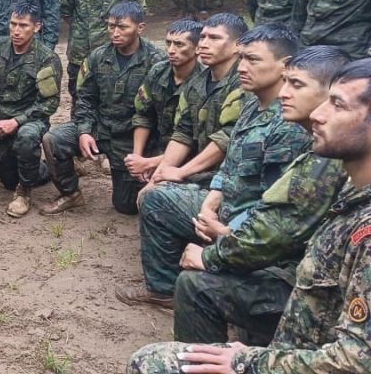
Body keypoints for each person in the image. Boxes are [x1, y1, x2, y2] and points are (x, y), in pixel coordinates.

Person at [127, 58, 371, 374]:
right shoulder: (351, 191)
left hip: (293, 351)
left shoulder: (357, 216)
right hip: (295, 338)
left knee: (150, 362)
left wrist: (248, 361)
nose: (319, 114)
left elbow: (357, 361)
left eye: (337, 106)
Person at [119, 24, 309, 309]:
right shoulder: (251, 105)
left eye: (253, 60)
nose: (242, 67)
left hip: (248, 228)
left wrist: (222, 229)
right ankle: (163, 289)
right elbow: (229, 167)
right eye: (242, 58)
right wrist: (209, 205)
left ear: (286, 66)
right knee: (156, 197)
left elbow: (275, 210)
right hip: (224, 207)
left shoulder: (290, 125)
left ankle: (215, 272)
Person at [174, 46, 350, 346]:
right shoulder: (316, 145)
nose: (284, 93)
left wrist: (212, 254)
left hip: (318, 291)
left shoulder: (327, 158)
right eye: (286, 83)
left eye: (297, 85)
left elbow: (274, 232)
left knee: (196, 285)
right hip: (302, 263)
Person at [40, 1, 164, 215]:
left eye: (122, 27)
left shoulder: (156, 61)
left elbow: (159, 114)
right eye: (111, 26)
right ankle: (70, 194)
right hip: (101, 128)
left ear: (140, 28)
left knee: (125, 206)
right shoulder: (97, 57)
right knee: (54, 139)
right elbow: (85, 98)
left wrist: (144, 155)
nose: (115, 33)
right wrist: (85, 131)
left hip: (131, 137)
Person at [0, 2, 62, 218]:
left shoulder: (47, 59)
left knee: (27, 138)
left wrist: (17, 121)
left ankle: (25, 192)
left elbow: (49, 103)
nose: (16, 31)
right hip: (0, 123)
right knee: (8, 180)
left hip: (30, 121)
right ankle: (48, 168)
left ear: (37, 27)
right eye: (13, 24)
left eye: (23, 25)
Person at [144, 13, 248, 192]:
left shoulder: (245, 83)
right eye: (202, 37)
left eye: (214, 38)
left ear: (238, 45)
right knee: (148, 193)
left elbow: (227, 136)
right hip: (202, 172)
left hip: (234, 176)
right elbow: (183, 132)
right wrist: (156, 179)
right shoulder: (196, 83)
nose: (204, 44)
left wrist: (182, 172)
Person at [125, 19, 204, 184]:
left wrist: (150, 163)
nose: (171, 50)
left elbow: (194, 141)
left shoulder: (203, 83)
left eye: (179, 45)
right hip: (157, 145)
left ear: (197, 48)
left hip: (188, 156)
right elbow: (143, 114)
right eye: (168, 43)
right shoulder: (158, 71)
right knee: (125, 203)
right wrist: (137, 157)